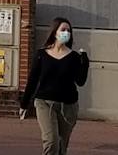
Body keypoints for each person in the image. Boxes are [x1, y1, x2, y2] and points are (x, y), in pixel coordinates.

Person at [20, 18, 90, 155]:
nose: (66, 33)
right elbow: (32, 80)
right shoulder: (42, 55)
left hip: (68, 106)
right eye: (63, 29)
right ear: (54, 32)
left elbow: (80, 81)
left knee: (61, 146)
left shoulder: (73, 57)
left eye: (69, 31)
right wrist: (24, 103)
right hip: (44, 102)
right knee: (51, 142)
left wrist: (85, 63)